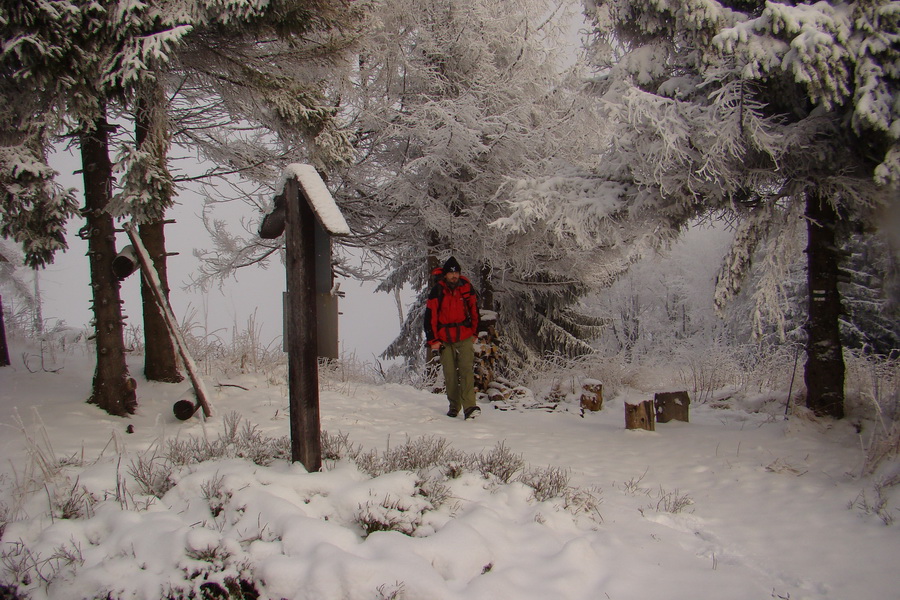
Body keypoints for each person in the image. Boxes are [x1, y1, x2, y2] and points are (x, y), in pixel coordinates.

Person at [424, 256, 481, 420]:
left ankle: (470, 407)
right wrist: (433, 339)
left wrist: (475, 333)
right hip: (443, 338)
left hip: (464, 335)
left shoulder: (466, 288)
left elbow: (474, 311)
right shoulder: (437, 291)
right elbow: (430, 317)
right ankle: (454, 406)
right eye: (451, 273)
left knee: (466, 371)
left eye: (456, 273)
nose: (454, 276)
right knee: (450, 374)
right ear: (445, 274)